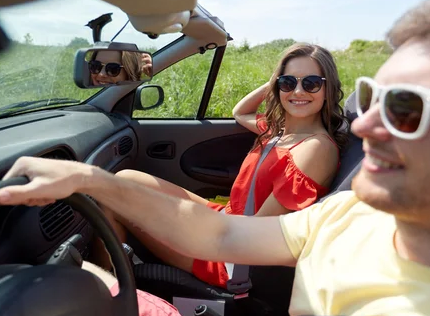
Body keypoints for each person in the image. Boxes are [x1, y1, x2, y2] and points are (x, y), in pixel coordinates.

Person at [0, 0, 430, 316]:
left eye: (408, 107)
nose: (364, 124)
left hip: (237, 267)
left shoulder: (315, 150)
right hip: (232, 225)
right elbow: (232, 225)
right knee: (123, 192)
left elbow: (240, 246)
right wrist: (89, 180)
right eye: (372, 97)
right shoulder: (347, 212)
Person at [94, 43, 347, 287]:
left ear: (328, 89)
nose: (299, 91)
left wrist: (186, 222)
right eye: (289, 82)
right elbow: (240, 112)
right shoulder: (280, 131)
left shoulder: (315, 148)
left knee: (113, 200)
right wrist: (275, 82)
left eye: (311, 83)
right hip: (226, 219)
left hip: (230, 255)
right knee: (123, 180)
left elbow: (256, 232)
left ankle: (109, 295)